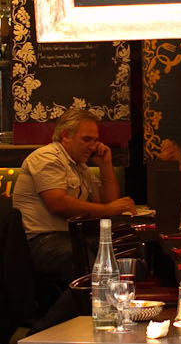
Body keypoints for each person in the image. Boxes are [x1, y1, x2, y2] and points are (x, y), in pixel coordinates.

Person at [9, 108, 134, 328]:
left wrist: (105, 165)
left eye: (95, 140)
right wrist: (108, 209)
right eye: (86, 139)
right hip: (41, 242)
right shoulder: (47, 157)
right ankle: (43, 337)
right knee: (95, 268)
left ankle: (98, 329)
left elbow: (107, 201)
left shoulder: (79, 166)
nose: (93, 146)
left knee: (125, 256)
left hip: (67, 238)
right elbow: (58, 203)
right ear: (65, 136)